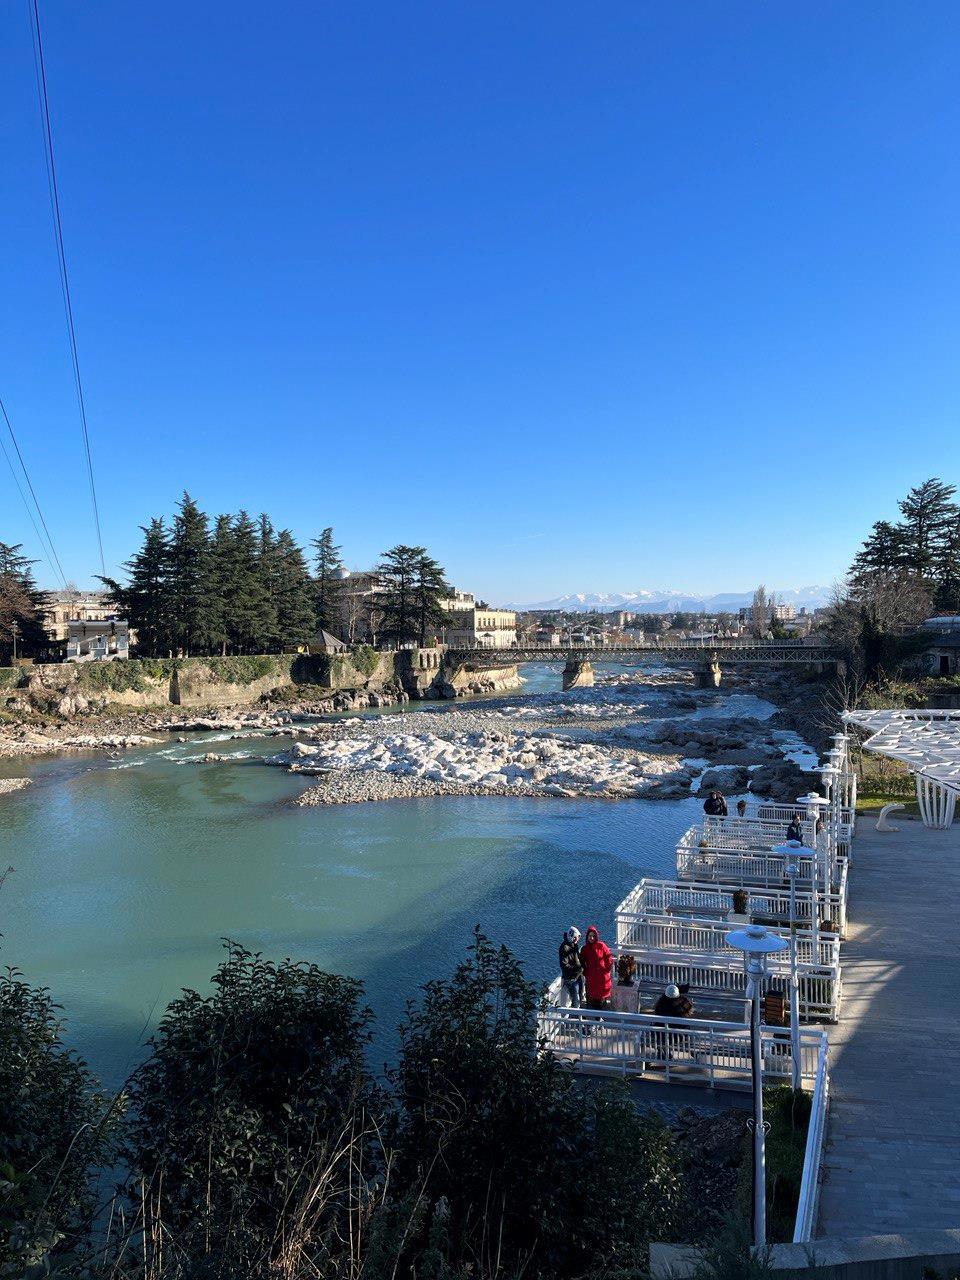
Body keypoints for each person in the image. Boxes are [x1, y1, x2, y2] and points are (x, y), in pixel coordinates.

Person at [580, 925, 614, 1010]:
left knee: (602, 1001)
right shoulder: (585, 949)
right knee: (593, 1000)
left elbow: (609, 958)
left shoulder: (601, 946)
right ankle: (594, 1015)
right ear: (587, 937)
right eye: (590, 936)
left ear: (596, 936)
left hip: (602, 979)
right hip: (591, 978)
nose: (591, 938)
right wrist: (586, 972)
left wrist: (606, 970)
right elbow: (581, 962)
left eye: (593, 936)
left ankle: (600, 1015)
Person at [558, 927, 584, 1008]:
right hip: (571, 978)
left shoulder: (574, 945)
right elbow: (564, 965)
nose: (577, 939)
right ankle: (576, 1014)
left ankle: (578, 1012)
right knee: (575, 1000)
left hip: (577, 976)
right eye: (575, 937)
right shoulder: (564, 948)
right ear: (571, 937)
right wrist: (576, 969)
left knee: (580, 995)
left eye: (578, 937)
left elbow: (576, 958)